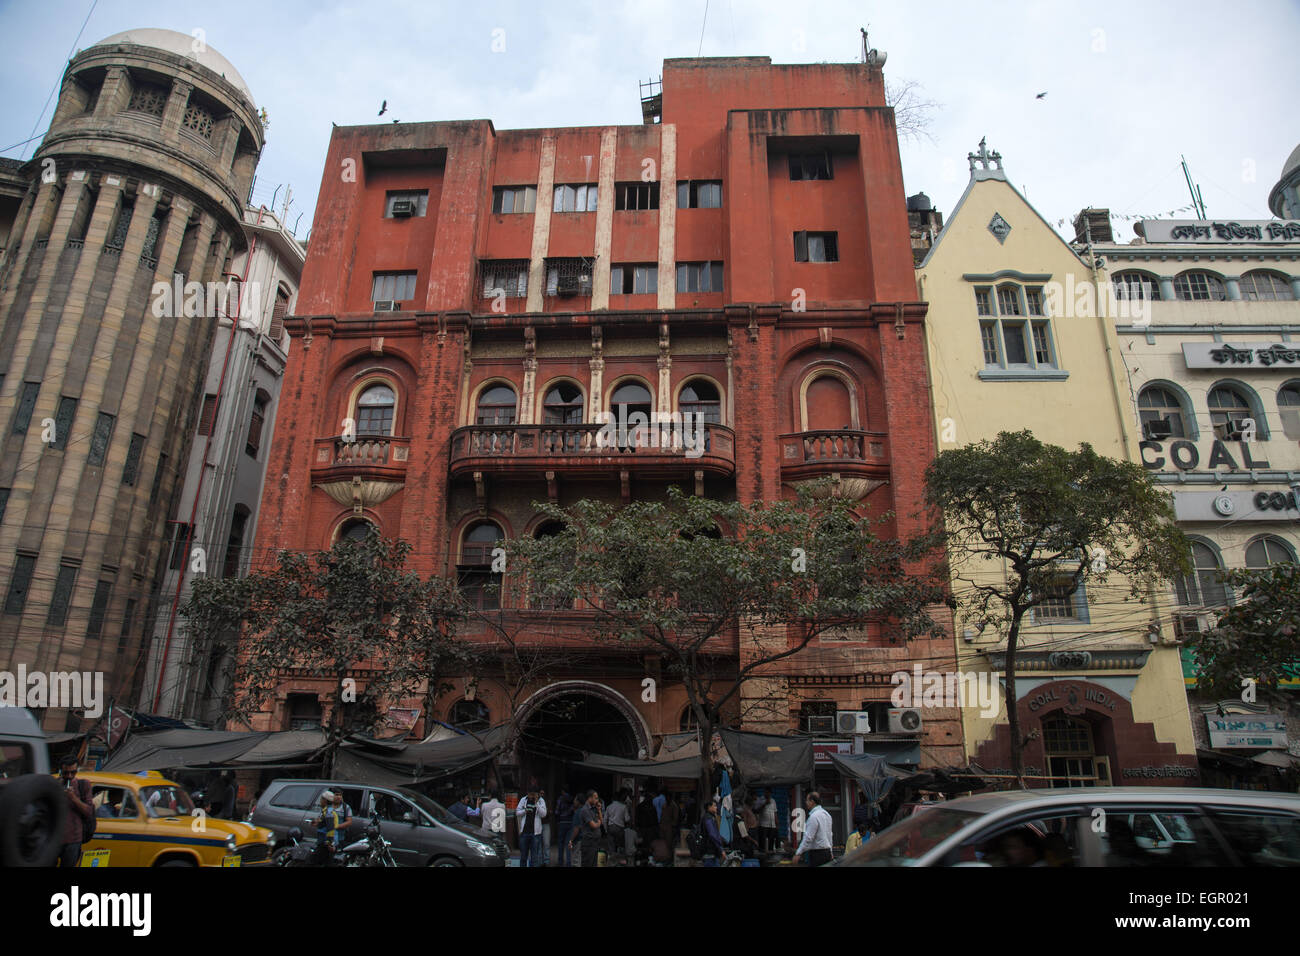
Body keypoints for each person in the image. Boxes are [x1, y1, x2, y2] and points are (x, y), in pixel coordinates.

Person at [57, 754, 93, 867]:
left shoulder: (83, 785)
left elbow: (88, 811)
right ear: (61, 771)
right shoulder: (55, 784)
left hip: (73, 840)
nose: (69, 776)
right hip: (54, 838)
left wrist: (73, 798)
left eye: (73, 772)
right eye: (66, 773)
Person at [793, 791, 833, 867]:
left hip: (817, 855)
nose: (806, 802)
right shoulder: (827, 815)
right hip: (827, 853)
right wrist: (830, 851)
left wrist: (798, 853)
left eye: (807, 800)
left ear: (812, 802)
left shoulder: (813, 817)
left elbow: (808, 837)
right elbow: (830, 835)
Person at [515, 787, 547, 867]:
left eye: (533, 794)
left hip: (535, 833)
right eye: (530, 794)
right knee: (523, 857)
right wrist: (524, 811)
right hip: (524, 832)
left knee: (534, 858)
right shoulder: (523, 799)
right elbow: (517, 812)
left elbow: (543, 814)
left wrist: (537, 804)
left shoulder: (541, 801)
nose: (531, 796)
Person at [572, 789, 603, 867]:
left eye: (597, 798)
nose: (597, 800)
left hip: (595, 841)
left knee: (594, 863)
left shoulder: (594, 808)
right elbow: (593, 825)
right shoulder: (585, 810)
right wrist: (598, 822)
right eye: (595, 798)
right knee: (587, 863)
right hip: (588, 842)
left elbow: (601, 821)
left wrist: (599, 810)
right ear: (590, 798)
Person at [312, 791, 341, 865]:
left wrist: (330, 844)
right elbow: (324, 823)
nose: (320, 801)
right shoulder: (326, 811)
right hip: (324, 842)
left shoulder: (329, 813)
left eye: (321, 799)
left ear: (325, 800)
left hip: (326, 844)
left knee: (312, 862)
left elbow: (330, 829)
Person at [605, 789, 629, 863]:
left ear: (612, 799)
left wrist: (606, 830)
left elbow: (605, 819)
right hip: (619, 828)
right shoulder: (623, 806)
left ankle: (612, 862)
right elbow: (627, 819)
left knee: (611, 846)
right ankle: (620, 861)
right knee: (620, 846)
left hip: (611, 827)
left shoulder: (609, 807)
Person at [634, 790, 658, 862]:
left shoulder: (640, 806)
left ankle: (643, 859)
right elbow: (655, 819)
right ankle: (647, 859)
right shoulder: (652, 807)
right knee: (647, 845)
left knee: (643, 845)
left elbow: (636, 818)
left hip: (644, 828)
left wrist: (637, 827)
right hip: (648, 829)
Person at [555, 789, 575, 866]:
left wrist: (558, 820)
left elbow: (557, 812)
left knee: (560, 843)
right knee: (568, 843)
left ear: (563, 791)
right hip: (570, 822)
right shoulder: (572, 799)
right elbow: (574, 809)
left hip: (562, 823)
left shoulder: (560, 799)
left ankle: (560, 862)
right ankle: (568, 862)